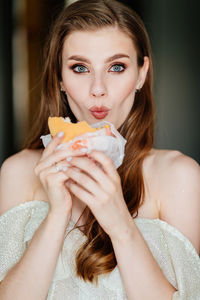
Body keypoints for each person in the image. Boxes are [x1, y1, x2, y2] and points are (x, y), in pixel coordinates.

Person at [0, 0, 200, 299]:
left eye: (116, 67)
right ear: (60, 78)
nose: (98, 88)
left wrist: (120, 223)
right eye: (80, 68)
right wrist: (58, 213)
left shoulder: (179, 176)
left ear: (142, 74)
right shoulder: (18, 172)